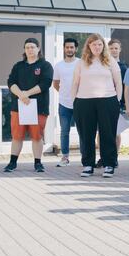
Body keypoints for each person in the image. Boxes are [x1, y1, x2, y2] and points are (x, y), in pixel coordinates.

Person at [71, 34, 122, 178]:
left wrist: (117, 100)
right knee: (86, 134)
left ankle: (109, 165)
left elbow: (118, 82)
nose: (97, 47)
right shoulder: (81, 63)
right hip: (84, 102)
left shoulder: (110, 61)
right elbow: (75, 83)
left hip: (107, 101)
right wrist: (74, 100)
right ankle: (88, 165)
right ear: (89, 46)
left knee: (108, 134)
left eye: (100, 44)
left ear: (103, 46)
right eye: (94, 45)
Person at [4, 38, 53, 173]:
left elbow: (45, 83)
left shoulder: (45, 65)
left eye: (32, 47)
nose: (30, 50)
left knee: (37, 136)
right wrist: (21, 95)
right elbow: (11, 82)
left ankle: (38, 163)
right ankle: (12, 163)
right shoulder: (18, 66)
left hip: (38, 107)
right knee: (16, 136)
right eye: (27, 47)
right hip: (18, 107)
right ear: (24, 50)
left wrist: (27, 94)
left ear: (38, 49)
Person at [94, 39, 128, 168]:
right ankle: (103, 157)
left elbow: (124, 86)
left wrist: (121, 102)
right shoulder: (103, 63)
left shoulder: (124, 67)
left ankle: (114, 156)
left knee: (115, 131)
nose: (114, 50)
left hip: (116, 102)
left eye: (116, 48)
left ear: (120, 50)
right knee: (100, 132)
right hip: (101, 101)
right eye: (111, 48)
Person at [53, 38, 80, 167]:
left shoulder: (81, 63)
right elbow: (56, 84)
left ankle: (85, 158)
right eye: (67, 47)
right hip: (64, 103)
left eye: (72, 47)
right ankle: (65, 158)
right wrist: (64, 93)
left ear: (76, 49)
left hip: (80, 103)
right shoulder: (58, 66)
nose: (69, 49)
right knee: (65, 131)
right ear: (64, 49)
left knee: (83, 131)